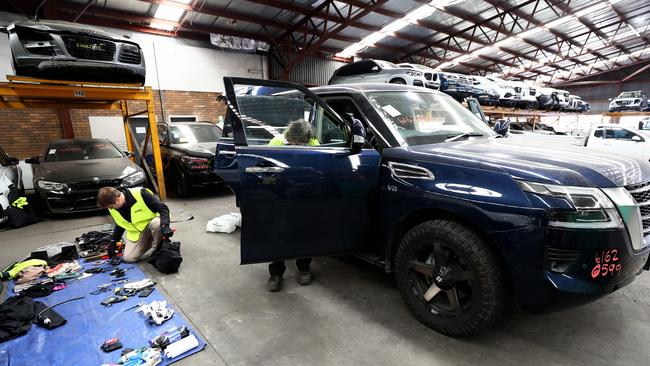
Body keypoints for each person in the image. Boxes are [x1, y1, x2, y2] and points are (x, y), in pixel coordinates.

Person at [267, 120, 317, 291]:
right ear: (289, 137)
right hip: (281, 193)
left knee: (304, 232)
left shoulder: (314, 143)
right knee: (279, 232)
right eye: (294, 142)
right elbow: (266, 170)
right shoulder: (276, 143)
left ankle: (304, 267)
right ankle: (276, 272)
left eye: (301, 143)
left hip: (303, 194)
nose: (297, 145)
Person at [96, 186, 173, 263]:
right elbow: (120, 224)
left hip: (153, 225)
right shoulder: (113, 208)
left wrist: (165, 225)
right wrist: (114, 241)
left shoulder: (141, 194)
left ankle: (158, 249)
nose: (111, 209)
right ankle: (155, 239)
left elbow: (163, 208)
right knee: (129, 258)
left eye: (111, 207)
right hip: (138, 234)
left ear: (117, 200)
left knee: (157, 224)